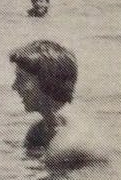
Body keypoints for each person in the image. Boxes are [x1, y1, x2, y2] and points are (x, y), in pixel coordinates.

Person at [10, 40, 104, 169]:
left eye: (21, 79)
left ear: (46, 81)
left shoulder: (66, 146)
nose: (14, 86)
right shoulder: (39, 130)